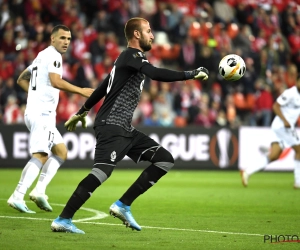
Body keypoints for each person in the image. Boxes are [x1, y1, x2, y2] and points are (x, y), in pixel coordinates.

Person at [51, 17, 209, 234]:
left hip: (124, 127)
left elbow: (103, 87)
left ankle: (123, 205)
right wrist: (189, 74)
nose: (152, 35)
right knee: (101, 173)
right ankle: (63, 218)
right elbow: (154, 73)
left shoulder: (125, 61)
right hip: (111, 125)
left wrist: (82, 111)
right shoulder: (131, 56)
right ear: (137, 34)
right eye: (149, 31)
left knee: (164, 159)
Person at [7, 25, 94, 213]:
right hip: (42, 115)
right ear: (52, 39)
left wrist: (33, 96)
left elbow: (22, 79)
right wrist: (81, 91)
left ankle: (39, 191)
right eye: (62, 38)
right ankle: (18, 195)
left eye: (69, 39)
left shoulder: (41, 56)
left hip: (37, 113)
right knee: (41, 155)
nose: (66, 42)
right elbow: (55, 81)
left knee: (61, 152)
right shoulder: (54, 56)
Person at [241, 77, 300, 188]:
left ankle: (248, 171)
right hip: (283, 126)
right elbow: (275, 106)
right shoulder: (290, 93)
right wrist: (285, 121)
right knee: (299, 150)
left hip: (281, 127)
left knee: (274, 155)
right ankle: (298, 182)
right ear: (297, 81)